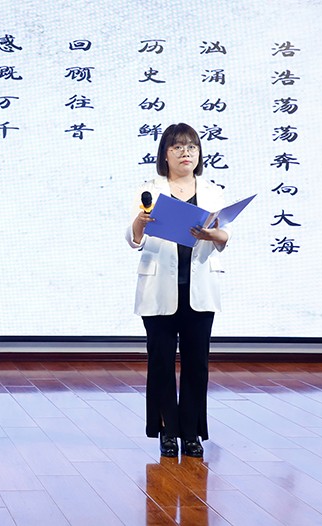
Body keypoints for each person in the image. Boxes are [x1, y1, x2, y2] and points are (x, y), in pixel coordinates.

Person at [126, 123, 229, 458]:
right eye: (178, 147)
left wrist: (213, 235)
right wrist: (140, 224)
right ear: (165, 154)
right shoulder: (150, 190)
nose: (186, 153)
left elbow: (225, 236)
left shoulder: (212, 192)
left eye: (192, 147)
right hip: (159, 286)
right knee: (160, 362)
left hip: (200, 289)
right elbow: (134, 239)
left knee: (197, 363)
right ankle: (167, 431)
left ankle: (192, 432)